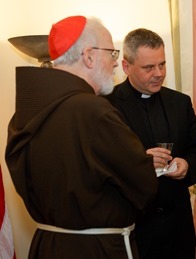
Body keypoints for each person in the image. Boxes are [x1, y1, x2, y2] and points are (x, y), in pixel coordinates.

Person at [5, 16, 158, 259]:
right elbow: (144, 184)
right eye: (112, 53)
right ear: (89, 56)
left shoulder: (23, 114)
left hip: (47, 245)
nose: (115, 63)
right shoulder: (95, 111)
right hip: (97, 249)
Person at [106, 28, 196, 259]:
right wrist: (141, 161)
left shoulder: (179, 102)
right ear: (126, 67)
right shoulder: (107, 105)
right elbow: (102, 164)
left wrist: (186, 165)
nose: (159, 73)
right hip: (135, 229)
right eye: (148, 68)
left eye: (162, 65)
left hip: (177, 230)